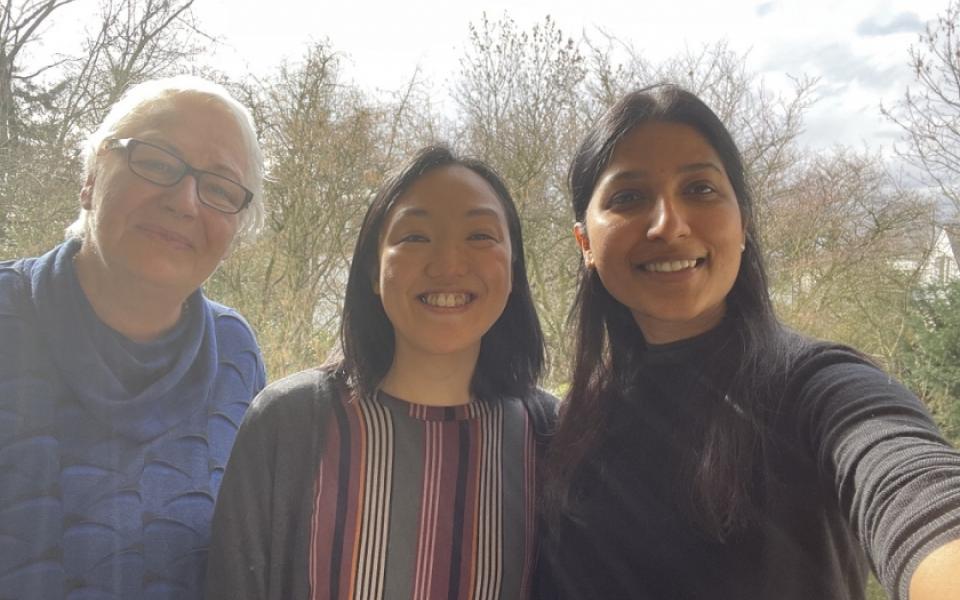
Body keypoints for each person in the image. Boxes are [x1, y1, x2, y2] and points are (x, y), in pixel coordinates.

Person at [538, 84, 960, 600]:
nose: (668, 225)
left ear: (744, 224)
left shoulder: (820, 389)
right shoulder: (571, 423)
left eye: (700, 189)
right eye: (629, 197)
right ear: (585, 242)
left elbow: (916, 489)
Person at [206, 145, 556, 600]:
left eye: (480, 236)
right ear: (373, 269)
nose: (449, 265)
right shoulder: (288, 421)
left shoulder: (553, 435)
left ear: (513, 271)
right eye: (415, 237)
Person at [0, 75, 267, 599]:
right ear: (91, 177)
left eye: (219, 188)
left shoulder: (236, 353)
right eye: (159, 161)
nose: (185, 202)